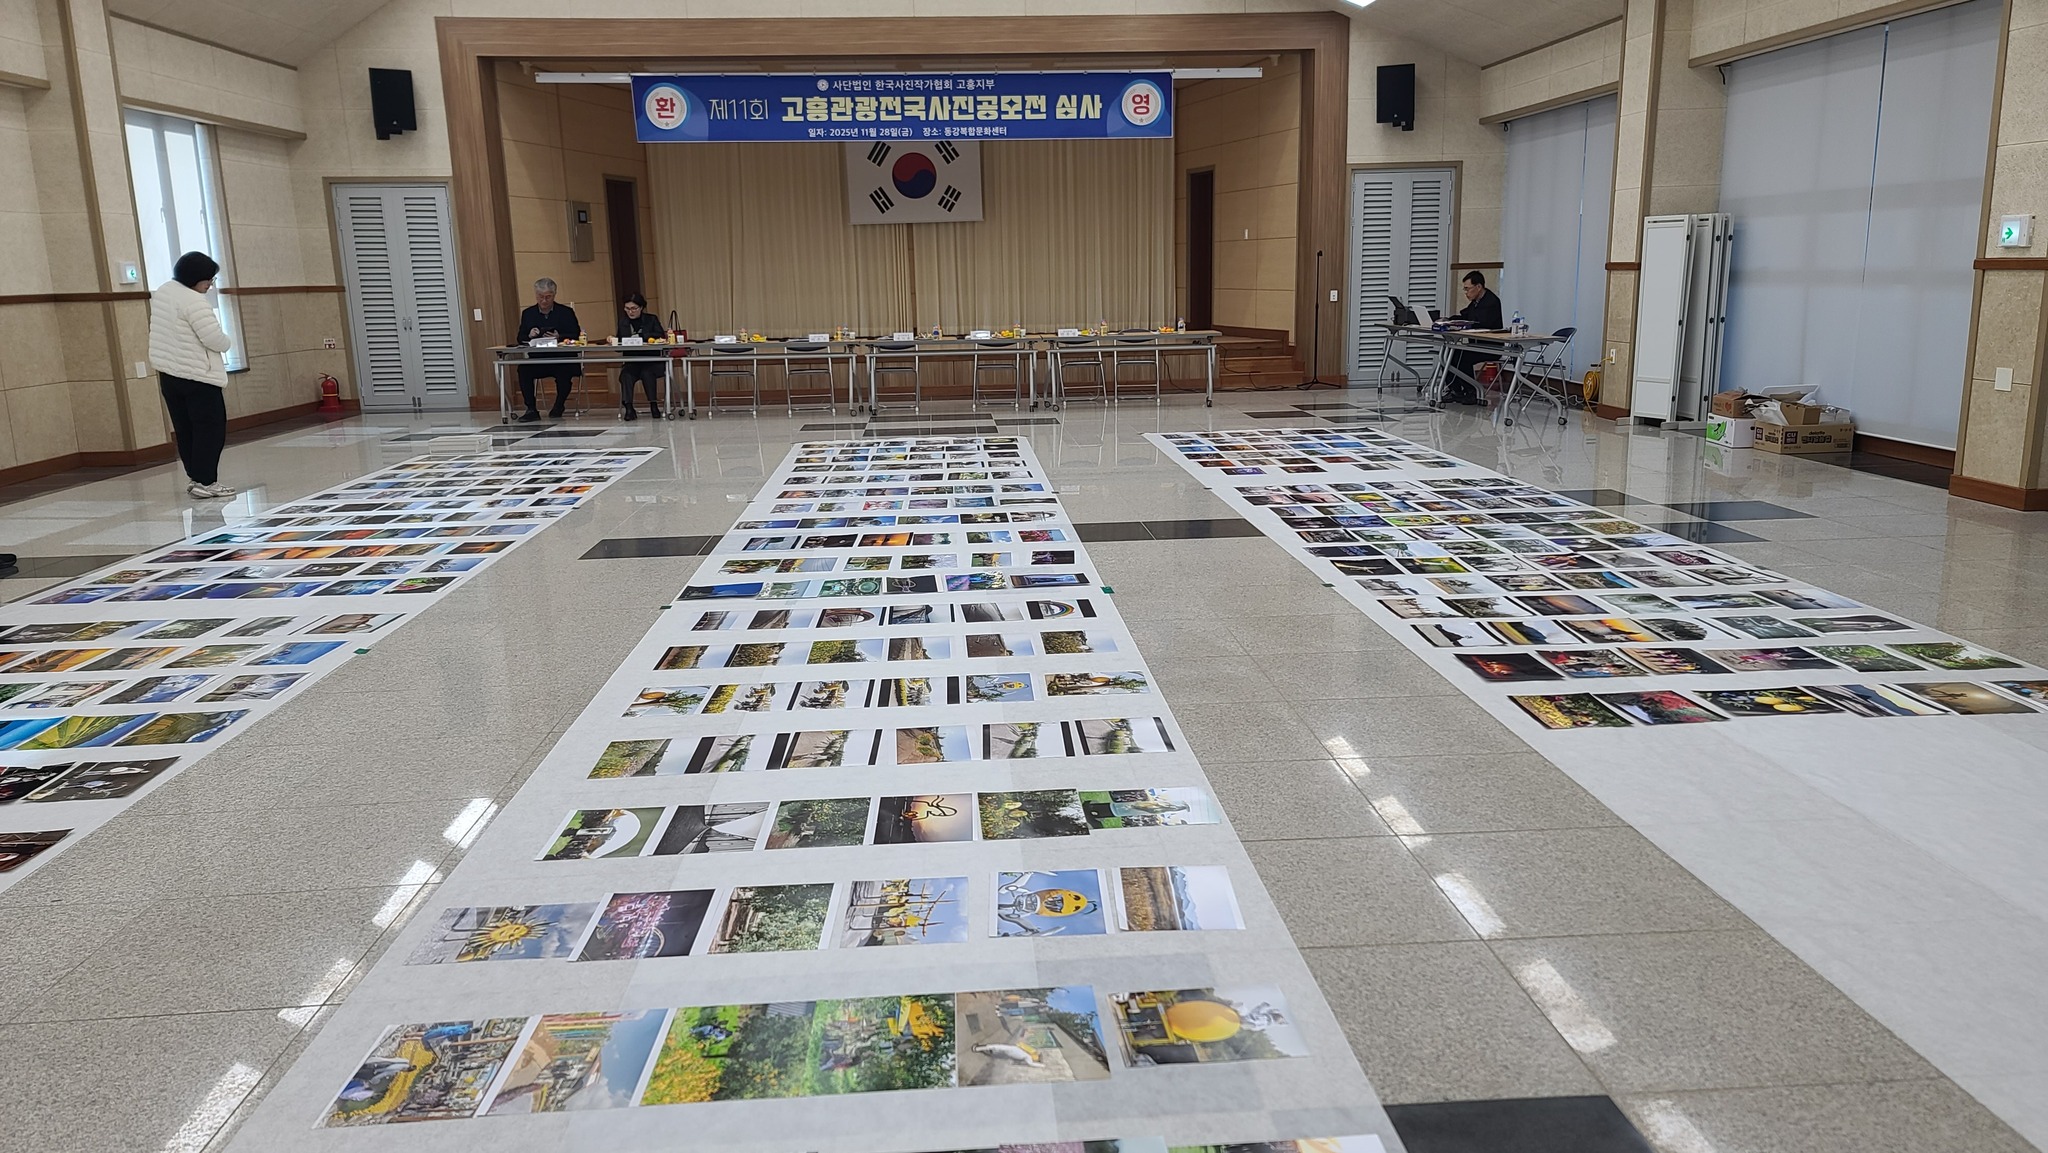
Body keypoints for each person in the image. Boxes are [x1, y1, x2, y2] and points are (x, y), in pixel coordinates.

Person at [148, 251, 237, 498]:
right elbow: (214, 339)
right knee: (210, 429)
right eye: (209, 280)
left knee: (185, 429)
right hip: (198, 377)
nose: (210, 285)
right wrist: (228, 342)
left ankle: (196, 479)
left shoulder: (164, 292)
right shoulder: (193, 301)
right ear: (195, 278)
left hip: (169, 374)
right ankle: (206, 481)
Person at [514, 278, 581, 422]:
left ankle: (559, 405)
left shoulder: (566, 312)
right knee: (523, 370)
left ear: (554, 295)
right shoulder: (528, 313)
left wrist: (559, 336)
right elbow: (520, 338)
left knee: (565, 372)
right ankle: (531, 409)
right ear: (536, 295)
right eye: (540, 297)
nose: (544, 300)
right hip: (539, 359)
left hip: (562, 358)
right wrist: (529, 335)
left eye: (548, 297)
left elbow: (576, 334)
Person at [1445, 270, 1504, 406]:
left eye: (1468, 289)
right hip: (1476, 345)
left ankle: (1471, 391)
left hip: (1490, 347)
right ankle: (1455, 390)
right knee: (1450, 353)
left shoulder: (1491, 302)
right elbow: (1466, 316)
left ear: (1478, 287)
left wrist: (1463, 324)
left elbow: (1481, 323)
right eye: (1465, 289)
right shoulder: (1475, 302)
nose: (1466, 293)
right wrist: (1449, 320)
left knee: (1461, 356)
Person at [611, 293, 667, 420]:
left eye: (634, 308)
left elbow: (660, 335)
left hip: (652, 361)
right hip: (633, 361)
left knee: (647, 373)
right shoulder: (623, 322)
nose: (630, 312)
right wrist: (614, 341)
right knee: (626, 375)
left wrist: (641, 337)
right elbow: (619, 343)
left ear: (641, 308)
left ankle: (653, 405)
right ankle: (629, 408)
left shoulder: (651, 319)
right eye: (627, 309)